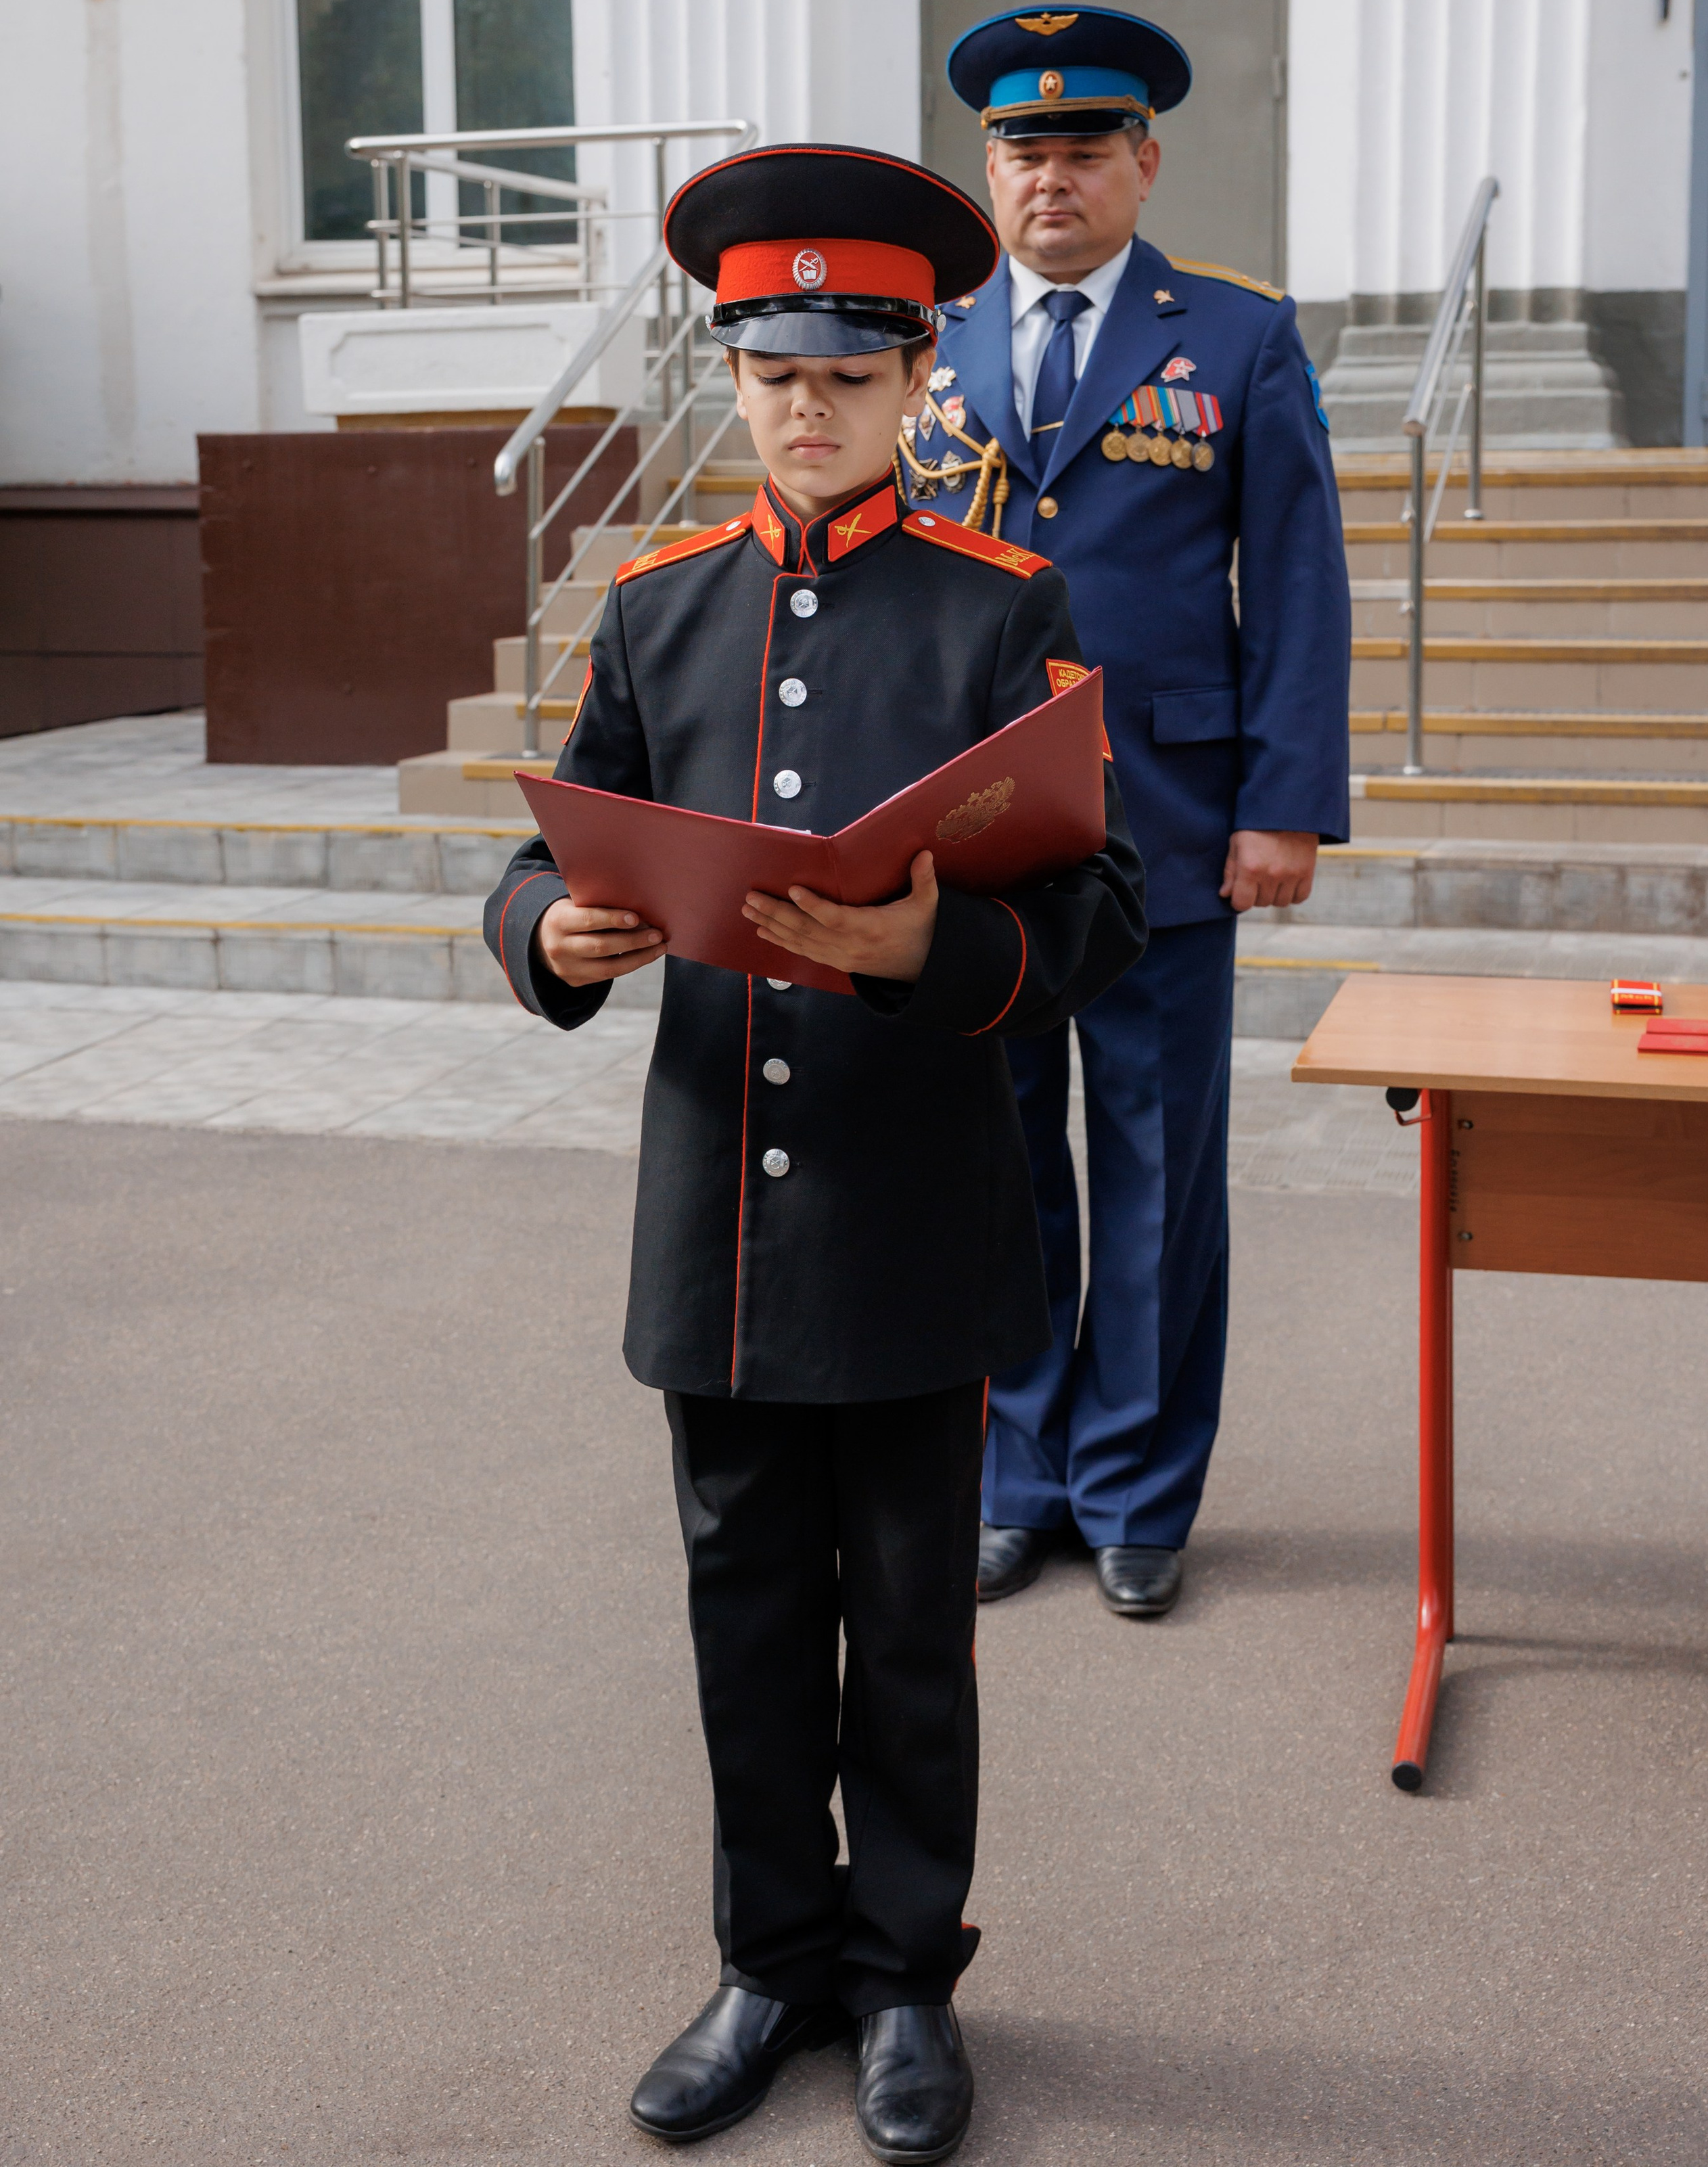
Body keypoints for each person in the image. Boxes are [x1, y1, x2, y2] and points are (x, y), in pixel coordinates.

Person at [482, 144, 1146, 2162]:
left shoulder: (998, 606)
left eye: (847, 371)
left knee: (911, 1628)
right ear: (737, 373)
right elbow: (553, 841)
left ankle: (902, 1981)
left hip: (913, 1216)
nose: (804, 403)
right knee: (745, 1612)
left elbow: (1097, 923)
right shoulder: (659, 604)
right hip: (720, 1231)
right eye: (773, 367)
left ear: (918, 371)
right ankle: (769, 1958)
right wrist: (550, 932)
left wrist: (936, 942)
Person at [903, 5, 1351, 1620]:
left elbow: (1295, 584)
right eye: (1023, 150)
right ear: (987, 167)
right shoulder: (927, 341)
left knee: (1158, 1170)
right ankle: (1017, 1475)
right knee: (998, 1164)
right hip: (974, 835)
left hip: (1170, 819)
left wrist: (1283, 804)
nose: (1050, 177)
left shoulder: (1232, 337)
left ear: (1142, 163)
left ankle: (1138, 1486)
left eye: (1084, 148)